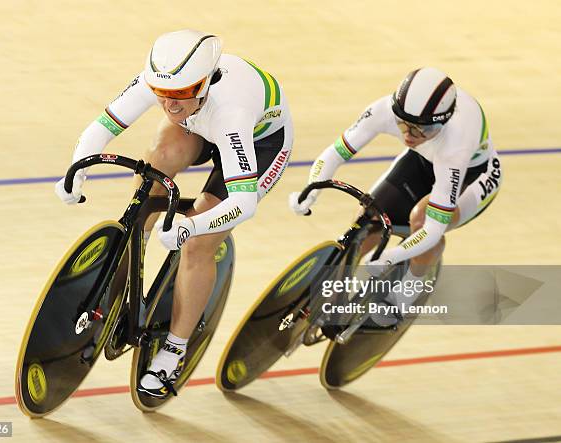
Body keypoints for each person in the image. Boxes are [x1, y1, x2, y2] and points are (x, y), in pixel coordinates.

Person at [55, 29, 293, 397]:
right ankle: (136, 250)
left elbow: (243, 204)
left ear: (205, 82)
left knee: (199, 244)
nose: (170, 105)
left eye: (181, 94)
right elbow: (101, 127)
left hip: (258, 143)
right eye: (163, 95)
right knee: (155, 165)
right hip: (201, 124)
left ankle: (174, 350)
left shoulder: (231, 111)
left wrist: (191, 226)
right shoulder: (164, 83)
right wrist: (76, 170)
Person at [290, 67, 501, 325]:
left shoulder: (456, 143)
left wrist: (393, 255)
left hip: (472, 176)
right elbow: (335, 152)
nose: (410, 136)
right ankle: (339, 294)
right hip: (424, 161)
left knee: (423, 220)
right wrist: (313, 187)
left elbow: (433, 229)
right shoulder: (385, 111)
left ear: (442, 122)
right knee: (367, 217)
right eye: (404, 125)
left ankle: (406, 294)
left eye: (422, 130)